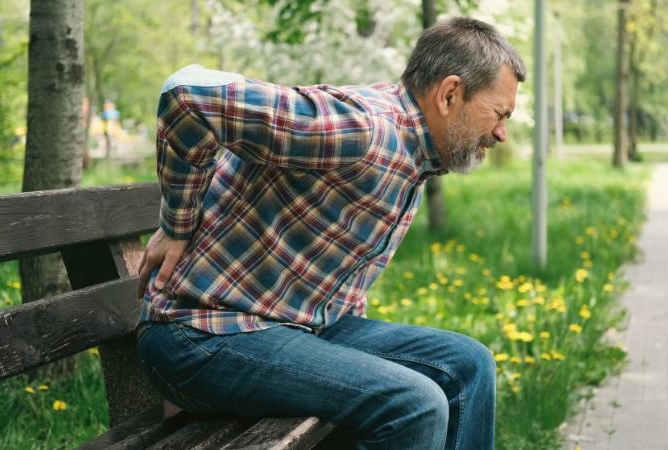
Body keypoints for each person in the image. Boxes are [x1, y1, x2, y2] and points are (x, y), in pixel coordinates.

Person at [135, 16, 526, 450]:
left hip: (296, 327)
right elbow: (186, 94)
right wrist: (177, 223)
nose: (502, 133)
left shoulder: (415, 153)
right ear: (449, 94)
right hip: (201, 334)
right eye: (499, 113)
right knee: (415, 404)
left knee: (470, 365)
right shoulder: (361, 129)